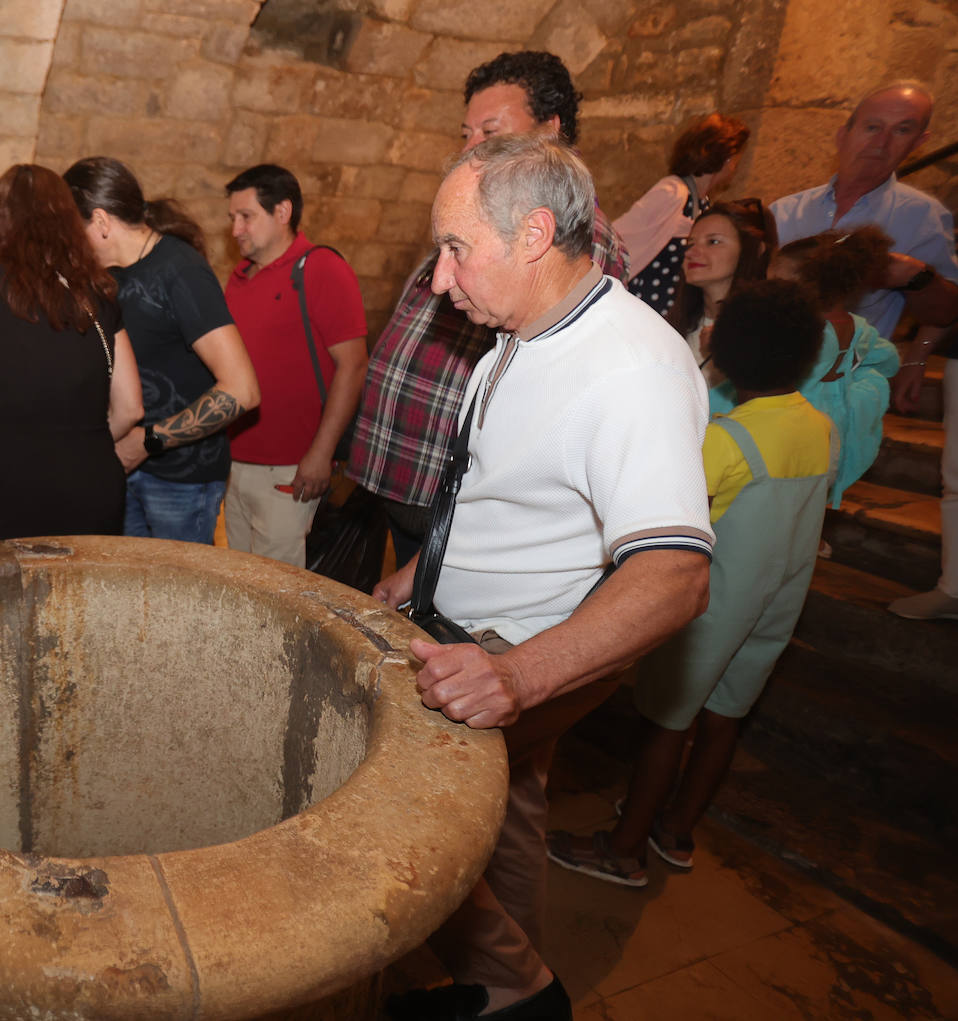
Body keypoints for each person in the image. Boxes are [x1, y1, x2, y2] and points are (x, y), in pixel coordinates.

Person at [376, 134, 712, 1021]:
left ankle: (520, 991)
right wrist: (411, 577)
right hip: (459, 632)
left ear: (531, 236)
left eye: (455, 249)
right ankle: (499, 991)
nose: (440, 280)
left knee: (399, 828)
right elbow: (495, 492)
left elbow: (676, 577)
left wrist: (515, 676)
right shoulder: (521, 335)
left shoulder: (630, 368)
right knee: (508, 819)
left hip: (513, 653)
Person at [547, 280, 834, 888]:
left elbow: (669, 534)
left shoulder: (727, 440)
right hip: (778, 603)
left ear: (728, 351)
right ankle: (675, 829)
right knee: (726, 716)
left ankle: (623, 850)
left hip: (713, 609)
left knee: (666, 723)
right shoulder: (818, 426)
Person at [347, 50, 631, 570]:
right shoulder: (484, 212)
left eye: (491, 131)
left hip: (455, 493)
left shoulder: (577, 237)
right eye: (466, 132)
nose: (472, 147)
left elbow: (557, 382)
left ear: (550, 131)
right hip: (408, 473)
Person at [768, 82, 958, 620]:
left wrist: (913, 284)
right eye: (872, 126)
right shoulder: (787, 210)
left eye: (902, 130)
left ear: (919, 143)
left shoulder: (922, 217)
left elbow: (946, 309)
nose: (882, 142)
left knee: (802, 515)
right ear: (843, 133)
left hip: (836, 389)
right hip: (768, 377)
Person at [0, 164, 143, 541]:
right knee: (90, 595)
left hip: (20, 485)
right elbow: (131, 408)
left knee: (19, 597)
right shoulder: (96, 287)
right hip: (95, 481)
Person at [63, 156, 259, 544]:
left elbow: (242, 389)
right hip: (122, 468)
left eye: (73, 232)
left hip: (181, 482)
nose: (71, 245)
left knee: (177, 598)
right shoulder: (106, 275)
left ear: (101, 222)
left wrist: (148, 441)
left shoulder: (180, 271)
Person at [222, 163, 367, 568]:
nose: (236, 229)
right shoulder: (239, 277)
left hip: (289, 468)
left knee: (277, 588)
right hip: (234, 461)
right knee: (237, 576)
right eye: (232, 218)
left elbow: (353, 365)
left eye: (246, 216)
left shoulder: (320, 269)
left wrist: (321, 453)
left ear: (282, 212)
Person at [747, 227, 898, 506]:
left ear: (812, 290)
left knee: (780, 499)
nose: (769, 293)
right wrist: (854, 376)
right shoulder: (858, 327)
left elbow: (775, 376)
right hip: (832, 427)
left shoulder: (810, 334)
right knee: (809, 501)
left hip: (795, 428)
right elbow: (889, 359)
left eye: (778, 285)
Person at [616, 113, 750, 316]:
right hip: (648, 308)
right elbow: (619, 238)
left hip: (673, 312)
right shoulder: (672, 192)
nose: (735, 166)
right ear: (727, 157)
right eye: (736, 158)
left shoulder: (702, 201)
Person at [665, 199, 776, 390]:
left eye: (713, 242)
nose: (692, 253)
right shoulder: (674, 324)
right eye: (690, 243)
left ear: (755, 249)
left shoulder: (766, 329)